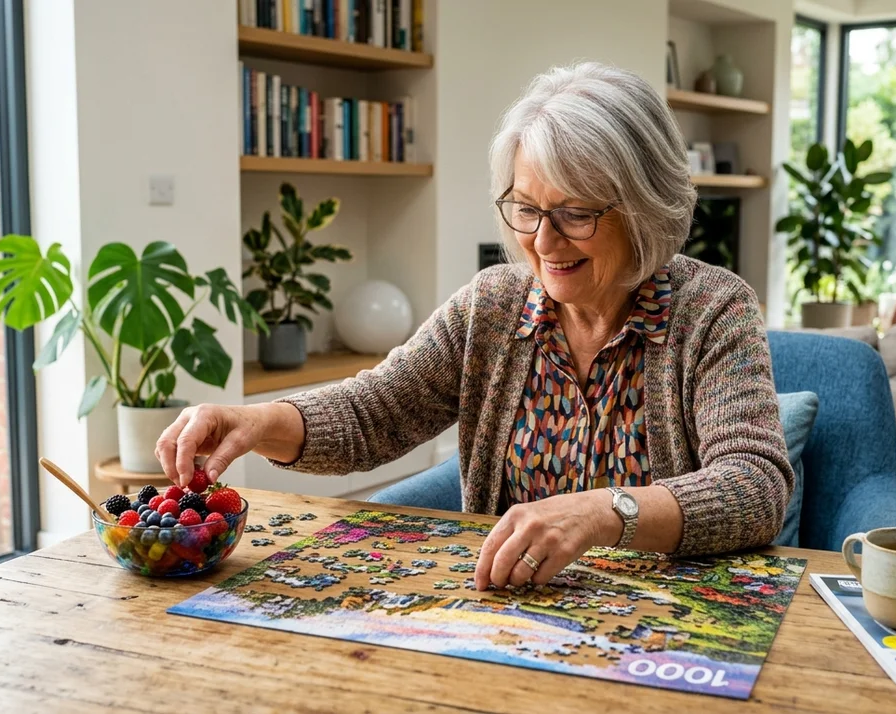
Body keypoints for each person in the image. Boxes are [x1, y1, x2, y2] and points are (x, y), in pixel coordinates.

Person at [155, 61, 792, 593]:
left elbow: (755, 486)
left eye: (574, 213)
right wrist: (257, 421)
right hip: (505, 618)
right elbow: (374, 413)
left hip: (670, 626)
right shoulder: (492, 307)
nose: (542, 240)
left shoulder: (712, 310)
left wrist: (603, 512)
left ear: (645, 205)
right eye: (525, 208)